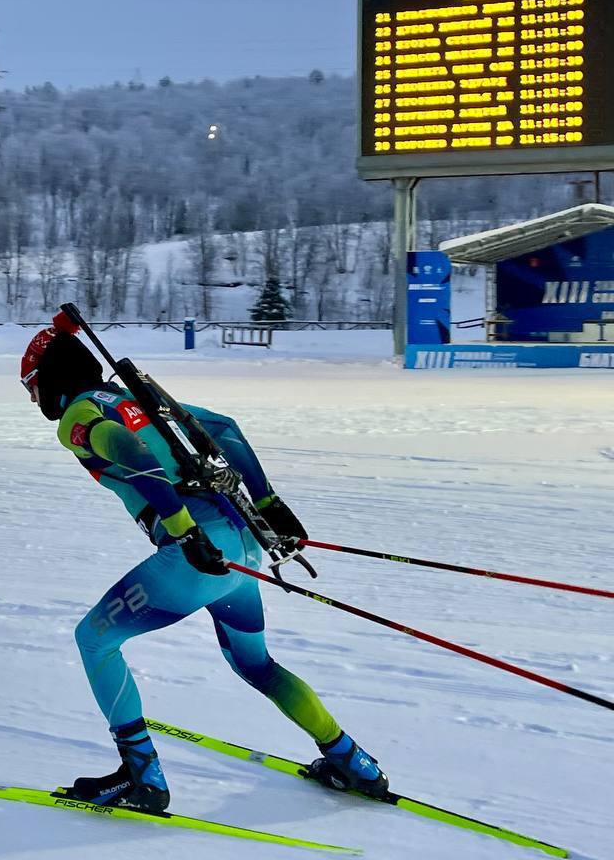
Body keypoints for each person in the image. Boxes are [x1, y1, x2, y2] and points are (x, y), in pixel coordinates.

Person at [20, 316, 387, 813]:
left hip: (199, 551)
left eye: (34, 387)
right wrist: (269, 502)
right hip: (242, 542)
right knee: (255, 664)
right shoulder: (132, 400)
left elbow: (128, 452)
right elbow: (223, 428)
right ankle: (352, 761)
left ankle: (142, 776)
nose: (36, 399)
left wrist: (181, 528)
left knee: (95, 640)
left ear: (49, 383)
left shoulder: (77, 416)